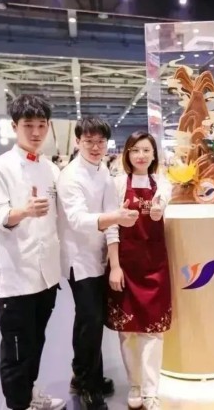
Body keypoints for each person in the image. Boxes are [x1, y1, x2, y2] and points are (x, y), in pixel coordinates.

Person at [0, 95, 65, 410]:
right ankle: (18, 404)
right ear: (14, 126)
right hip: (15, 274)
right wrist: (24, 211)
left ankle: (30, 395)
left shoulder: (51, 169)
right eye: (28, 125)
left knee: (37, 340)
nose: (35, 132)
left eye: (41, 125)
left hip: (47, 275)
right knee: (16, 348)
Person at [57, 118, 139, 409]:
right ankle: (88, 385)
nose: (95, 147)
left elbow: (111, 214)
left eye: (100, 142)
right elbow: (78, 220)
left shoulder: (103, 170)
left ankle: (83, 375)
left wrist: (114, 260)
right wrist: (116, 218)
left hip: (99, 256)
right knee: (89, 321)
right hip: (78, 260)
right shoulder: (70, 177)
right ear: (77, 141)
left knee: (91, 320)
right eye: (89, 141)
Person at [105, 131, 172, 410]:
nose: (141, 155)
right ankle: (135, 383)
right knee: (127, 331)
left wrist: (158, 209)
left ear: (154, 154)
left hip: (154, 266)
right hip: (125, 265)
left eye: (146, 150)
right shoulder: (118, 184)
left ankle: (151, 391)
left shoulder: (162, 183)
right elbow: (111, 226)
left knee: (153, 331)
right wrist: (115, 266)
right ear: (127, 155)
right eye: (135, 150)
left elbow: (162, 203)